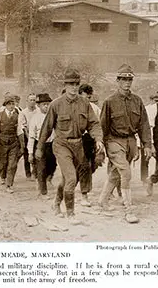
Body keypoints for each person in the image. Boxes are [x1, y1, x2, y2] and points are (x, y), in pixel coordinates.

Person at [37, 69, 103, 225]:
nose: (74, 87)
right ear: (65, 85)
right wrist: (39, 148)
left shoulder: (85, 103)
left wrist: (98, 139)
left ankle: (56, 203)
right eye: (71, 84)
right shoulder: (56, 104)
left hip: (78, 144)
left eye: (76, 84)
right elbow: (46, 128)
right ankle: (70, 213)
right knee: (71, 177)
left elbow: (94, 123)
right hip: (61, 145)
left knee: (70, 178)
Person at [98, 64, 152, 224]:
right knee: (126, 173)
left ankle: (102, 200)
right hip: (114, 141)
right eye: (123, 79)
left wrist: (147, 144)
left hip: (130, 142)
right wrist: (101, 147)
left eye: (129, 79)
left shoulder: (137, 101)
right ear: (117, 81)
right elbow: (102, 126)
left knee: (116, 173)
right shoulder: (110, 102)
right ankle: (129, 210)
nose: (127, 82)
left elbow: (144, 124)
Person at [0, 96, 25, 193]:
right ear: (5, 105)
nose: (11, 106)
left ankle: (9, 185)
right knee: (1, 164)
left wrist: (22, 146)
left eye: (13, 104)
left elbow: (20, 132)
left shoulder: (18, 116)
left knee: (12, 165)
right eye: (9, 104)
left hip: (13, 143)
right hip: (1, 143)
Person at [28, 93, 56, 199]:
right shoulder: (35, 118)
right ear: (38, 105)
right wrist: (30, 152)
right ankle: (43, 191)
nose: (46, 106)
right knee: (41, 167)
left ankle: (47, 180)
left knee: (52, 165)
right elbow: (31, 137)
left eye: (48, 104)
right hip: (39, 145)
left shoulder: (53, 116)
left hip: (52, 145)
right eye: (44, 104)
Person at [78, 83, 102, 207]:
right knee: (84, 166)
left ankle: (82, 181)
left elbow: (98, 125)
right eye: (83, 97)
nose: (86, 100)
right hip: (78, 139)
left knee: (93, 165)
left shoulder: (95, 108)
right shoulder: (75, 107)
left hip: (91, 139)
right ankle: (84, 195)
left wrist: (99, 139)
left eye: (88, 97)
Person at [21, 93, 39, 181]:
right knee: (27, 155)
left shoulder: (39, 111)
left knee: (37, 154)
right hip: (27, 136)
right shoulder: (23, 112)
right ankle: (28, 173)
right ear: (27, 101)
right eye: (31, 100)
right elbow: (23, 126)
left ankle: (34, 172)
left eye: (34, 100)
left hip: (37, 136)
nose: (32, 102)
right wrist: (28, 137)